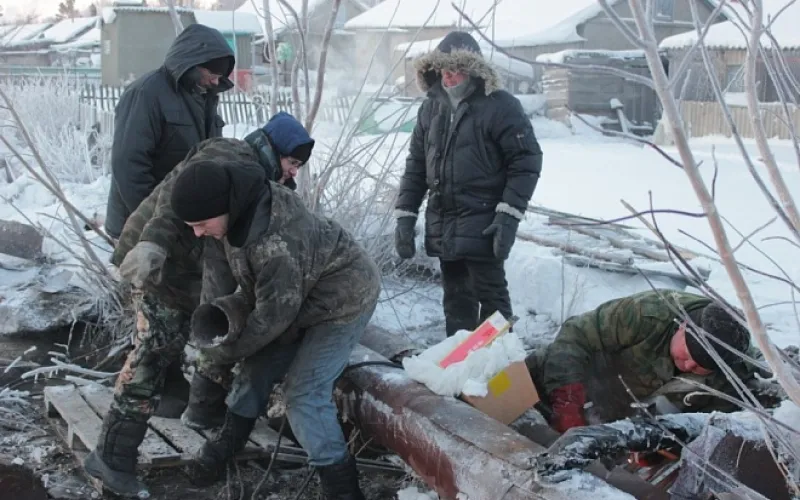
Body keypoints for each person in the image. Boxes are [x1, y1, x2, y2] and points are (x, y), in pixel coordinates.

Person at [83, 116, 314, 498]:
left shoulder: (257, 176)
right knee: (153, 355)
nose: (293, 172)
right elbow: (176, 203)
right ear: (276, 149)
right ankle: (111, 457)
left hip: (192, 270)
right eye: (293, 162)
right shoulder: (228, 154)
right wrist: (153, 245)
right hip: (162, 263)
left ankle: (198, 409)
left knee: (175, 346)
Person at [168, 156, 380, 499]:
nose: (197, 232)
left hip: (341, 298)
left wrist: (222, 354)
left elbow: (271, 321)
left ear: (224, 206)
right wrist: (219, 328)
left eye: (202, 223)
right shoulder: (235, 211)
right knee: (257, 368)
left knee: (303, 393)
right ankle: (228, 444)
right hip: (294, 291)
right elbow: (237, 287)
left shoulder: (276, 242)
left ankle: (342, 488)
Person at [393, 30, 543, 338]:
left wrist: (509, 215)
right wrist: (405, 215)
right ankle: (461, 375)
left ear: (473, 70)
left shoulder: (500, 106)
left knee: (493, 306)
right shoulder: (430, 109)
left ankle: (502, 379)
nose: (448, 78)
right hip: (444, 221)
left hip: (484, 223)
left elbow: (526, 161)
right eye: (443, 71)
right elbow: (416, 166)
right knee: (456, 302)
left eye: (456, 70)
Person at [525, 289, 764, 434]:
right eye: (688, 354)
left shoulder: (733, 372)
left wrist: (662, 445)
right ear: (682, 326)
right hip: (561, 380)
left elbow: (708, 423)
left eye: (700, 367)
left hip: (614, 412)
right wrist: (567, 399)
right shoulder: (646, 312)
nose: (689, 366)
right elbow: (576, 336)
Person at [103, 23, 235, 241]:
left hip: (182, 221)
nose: (216, 80)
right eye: (212, 72)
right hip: (141, 225)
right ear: (192, 64)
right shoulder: (146, 94)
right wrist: (154, 220)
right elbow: (128, 165)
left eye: (221, 74)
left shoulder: (204, 97)